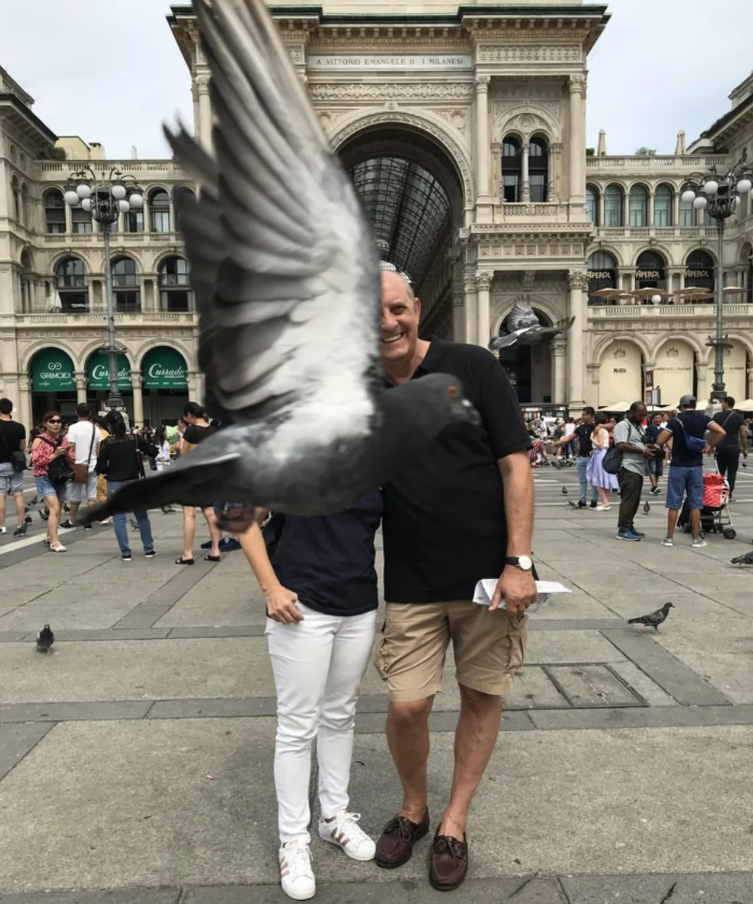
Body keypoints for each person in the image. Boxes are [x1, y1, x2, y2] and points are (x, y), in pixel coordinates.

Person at [375, 271, 535, 892]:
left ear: (416, 308)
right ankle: (413, 808)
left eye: (397, 308)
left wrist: (519, 562)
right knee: (407, 705)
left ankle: (453, 821)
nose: (387, 322)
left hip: (488, 579)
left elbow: (515, 464)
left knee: (481, 695)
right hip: (411, 579)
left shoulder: (473, 366)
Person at [240, 496, 382, 900]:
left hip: (358, 605)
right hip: (301, 606)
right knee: (297, 727)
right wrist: (270, 588)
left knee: (340, 716)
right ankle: (293, 839)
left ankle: (333, 816)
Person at [657, 395, 725, 548]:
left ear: (681, 406)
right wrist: (710, 445)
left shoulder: (675, 421)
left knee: (674, 503)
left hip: (677, 466)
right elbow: (721, 432)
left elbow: (660, 440)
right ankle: (696, 538)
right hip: (695, 466)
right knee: (695, 504)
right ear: (694, 405)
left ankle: (669, 538)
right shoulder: (703, 419)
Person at [96, 411, 158, 561]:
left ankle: (125, 553)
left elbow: (101, 467)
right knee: (142, 517)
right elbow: (153, 451)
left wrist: (110, 470)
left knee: (119, 519)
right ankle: (148, 549)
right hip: (134, 482)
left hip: (114, 482)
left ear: (109, 425)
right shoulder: (134, 439)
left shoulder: (107, 443)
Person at [175, 402, 223, 564]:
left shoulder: (192, 430)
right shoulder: (213, 430)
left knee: (189, 514)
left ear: (190, 415)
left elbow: (184, 454)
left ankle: (187, 554)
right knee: (210, 513)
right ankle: (215, 550)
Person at [30, 411, 73, 552]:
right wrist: (54, 455)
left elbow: (73, 458)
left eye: (58, 421)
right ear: (45, 424)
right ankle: (55, 542)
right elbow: (36, 461)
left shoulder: (63, 439)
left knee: (58, 509)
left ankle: (49, 536)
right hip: (43, 476)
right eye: (52, 421)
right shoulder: (39, 440)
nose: (56, 424)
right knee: (54, 508)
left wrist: (66, 454)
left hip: (59, 477)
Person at [613, 401, 654, 542]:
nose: (642, 418)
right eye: (639, 415)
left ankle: (629, 526)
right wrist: (642, 451)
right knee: (629, 500)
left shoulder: (638, 426)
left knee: (634, 500)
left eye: (644, 415)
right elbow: (621, 445)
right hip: (628, 467)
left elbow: (639, 442)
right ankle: (623, 530)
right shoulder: (623, 425)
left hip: (638, 468)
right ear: (631, 412)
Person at [65, 403, 102, 530]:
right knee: (91, 495)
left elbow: (72, 448)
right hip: (93, 464)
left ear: (76, 413)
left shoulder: (73, 428)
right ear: (90, 413)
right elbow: (98, 450)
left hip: (78, 466)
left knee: (75, 494)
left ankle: (72, 520)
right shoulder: (96, 429)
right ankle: (88, 520)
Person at [560, 407, 598, 509]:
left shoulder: (595, 427)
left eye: (584, 414)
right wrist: (557, 443)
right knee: (582, 480)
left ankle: (594, 500)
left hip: (591, 457)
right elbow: (569, 437)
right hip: (581, 456)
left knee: (593, 480)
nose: (582, 416)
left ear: (590, 415)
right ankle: (582, 500)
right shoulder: (580, 428)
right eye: (582, 414)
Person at [0, 397, 27, 537]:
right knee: (18, 494)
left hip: (0, 463)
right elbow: (22, 447)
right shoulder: (19, 427)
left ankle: (2, 526)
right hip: (16, 464)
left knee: (1, 495)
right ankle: (20, 524)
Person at [713, 397, 747, 501]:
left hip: (720, 447)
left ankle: (718, 494)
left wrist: (710, 445)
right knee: (732, 472)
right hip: (733, 447)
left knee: (720, 471)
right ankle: (729, 494)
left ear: (727, 403)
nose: (721, 405)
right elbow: (743, 434)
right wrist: (744, 448)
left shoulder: (717, 416)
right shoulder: (739, 417)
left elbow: (712, 432)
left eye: (722, 403)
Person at [586, 412, 618, 510]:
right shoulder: (604, 430)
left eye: (594, 419)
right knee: (605, 480)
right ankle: (606, 502)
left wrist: (591, 438)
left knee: (598, 479)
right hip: (603, 453)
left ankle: (604, 502)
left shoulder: (600, 431)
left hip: (600, 454)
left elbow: (600, 445)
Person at [644, 413, 665, 496]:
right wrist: (652, 445)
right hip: (651, 451)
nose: (658, 420)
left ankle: (655, 487)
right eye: (656, 418)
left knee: (658, 470)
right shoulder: (649, 429)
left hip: (660, 452)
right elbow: (646, 440)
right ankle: (654, 486)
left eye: (659, 418)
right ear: (652, 419)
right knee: (652, 469)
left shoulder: (663, 430)